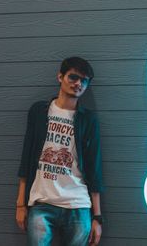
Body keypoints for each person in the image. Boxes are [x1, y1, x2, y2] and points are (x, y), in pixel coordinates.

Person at [16, 56, 104, 246]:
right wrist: (20, 204)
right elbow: (27, 156)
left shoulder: (88, 119)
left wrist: (97, 217)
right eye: (73, 77)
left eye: (84, 80)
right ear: (60, 77)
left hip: (78, 205)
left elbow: (94, 167)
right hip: (42, 202)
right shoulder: (39, 112)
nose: (78, 83)